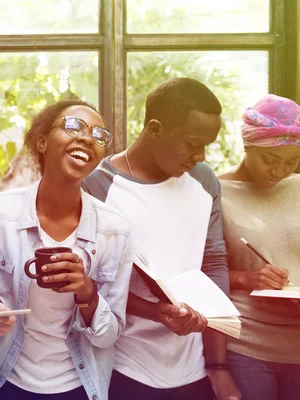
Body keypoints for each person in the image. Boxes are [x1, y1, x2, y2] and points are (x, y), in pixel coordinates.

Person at [0, 100, 133, 400]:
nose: (87, 138)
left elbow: (108, 336)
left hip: (80, 389)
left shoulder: (115, 231)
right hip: (7, 386)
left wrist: (87, 292)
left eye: (99, 135)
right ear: (43, 141)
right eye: (73, 126)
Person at [83, 77, 241, 400]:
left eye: (206, 145)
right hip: (122, 370)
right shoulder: (96, 187)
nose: (199, 155)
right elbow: (92, 285)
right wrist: (156, 312)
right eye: (191, 143)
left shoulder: (204, 180)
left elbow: (213, 264)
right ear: (154, 129)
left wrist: (218, 366)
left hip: (194, 370)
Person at [218, 94, 300, 400]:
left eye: (292, 162)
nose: (280, 172)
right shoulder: (216, 191)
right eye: (270, 160)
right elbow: (197, 270)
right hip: (246, 345)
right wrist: (248, 279)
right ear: (248, 146)